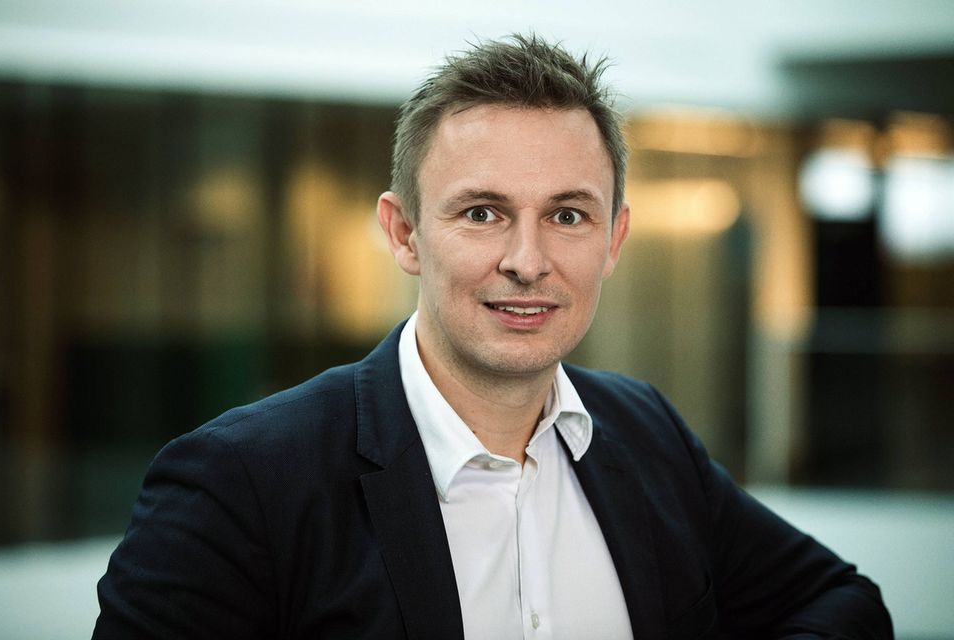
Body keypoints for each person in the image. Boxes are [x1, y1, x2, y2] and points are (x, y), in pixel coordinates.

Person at [93, 34, 892, 639]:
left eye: (567, 215)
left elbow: (842, 601)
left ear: (613, 240)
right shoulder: (241, 483)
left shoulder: (648, 434)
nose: (527, 261)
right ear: (404, 234)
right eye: (483, 212)